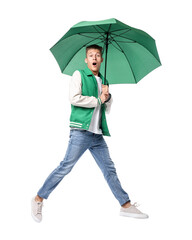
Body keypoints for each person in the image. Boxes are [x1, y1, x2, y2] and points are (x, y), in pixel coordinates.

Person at [31, 44, 148, 222]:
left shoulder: (104, 80)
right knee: (65, 167)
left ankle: (125, 205)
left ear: (101, 59)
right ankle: (38, 199)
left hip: (97, 134)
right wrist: (97, 99)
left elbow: (105, 109)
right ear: (86, 60)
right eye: (91, 55)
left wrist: (108, 98)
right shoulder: (79, 75)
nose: (94, 58)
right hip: (80, 131)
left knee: (109, 169)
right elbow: (74, 98)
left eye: (98, 55)